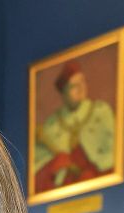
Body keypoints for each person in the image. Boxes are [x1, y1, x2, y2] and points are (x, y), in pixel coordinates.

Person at [33, 60, 116, 192]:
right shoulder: (52, 125)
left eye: (82, 82)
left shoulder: (101, 111)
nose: (80, 88)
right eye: (74, 86)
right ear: (64, 93)